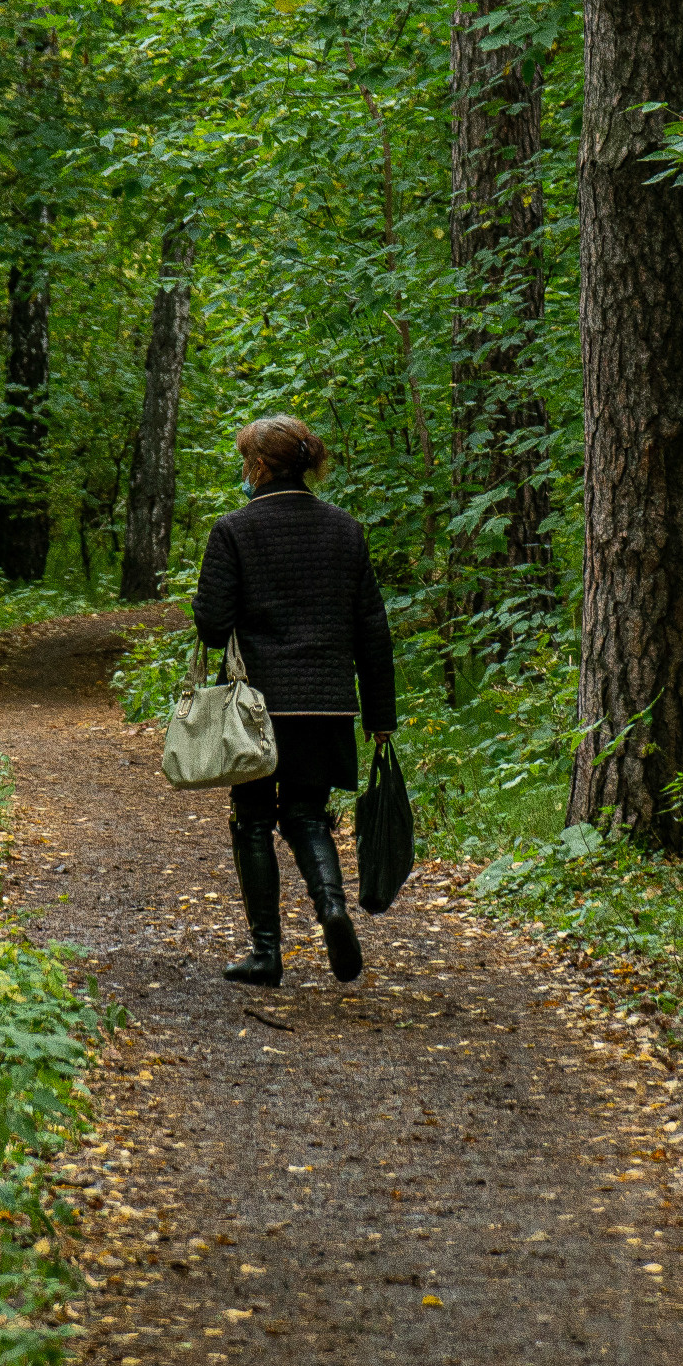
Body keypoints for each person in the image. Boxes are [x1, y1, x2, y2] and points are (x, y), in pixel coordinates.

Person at [192, 414, 396, 985]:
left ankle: (266, 952)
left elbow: (211, 625)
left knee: (252, 819)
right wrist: (382, 717)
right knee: (307, 815)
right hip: (329, 702)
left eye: (244, 461)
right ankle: (331, 908)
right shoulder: (345, 530)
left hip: (258, 706)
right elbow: (372, 630)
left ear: (258, 467)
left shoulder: (234, 530)